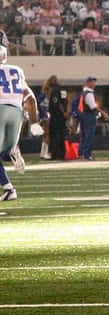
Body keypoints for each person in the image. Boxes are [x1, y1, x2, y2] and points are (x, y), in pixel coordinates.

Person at [0, 37, 42, 199]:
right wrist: (35, 123)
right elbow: (30, 98)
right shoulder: (16, 70)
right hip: (17, 113)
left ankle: (9, 188)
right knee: (3, 149)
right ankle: (11, 151)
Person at [76, 77, 99, 160]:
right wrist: (103, 113)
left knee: (84, 135)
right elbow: (93, 106)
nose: (94, 84)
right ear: (88, 83)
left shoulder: (83, 92)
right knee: (89, 135)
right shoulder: (88, 93)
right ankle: (87, 154)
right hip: (89, 115)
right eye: (93, 82)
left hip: (83, 115)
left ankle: (81, 152)